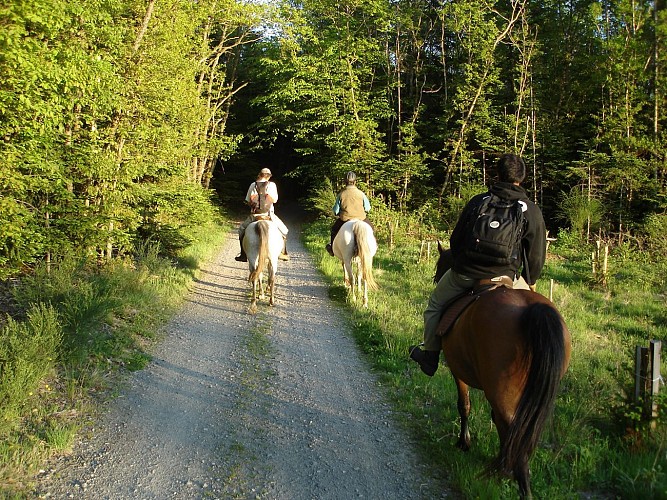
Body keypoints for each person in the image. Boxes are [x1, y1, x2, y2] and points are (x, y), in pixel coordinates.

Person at [409, 153, 547, 376]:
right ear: (522, 177)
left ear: (498, 174)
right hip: (504, 277)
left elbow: (456, 240)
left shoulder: (479, 201)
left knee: (435, 303)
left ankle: (430, 356)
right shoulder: (529, 209)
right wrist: (530, 281)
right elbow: (536, 253)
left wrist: (463, 263)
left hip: (465, 274)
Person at [235, 168, 290, 262]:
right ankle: (283, 253)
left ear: (259, 174)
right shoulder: (272, 185)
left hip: (255, 216)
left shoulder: (253, 184)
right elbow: (275, 200)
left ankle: (243, 255)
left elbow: (248, 200)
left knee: (241, 230)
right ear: (269, 176)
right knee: (284, 230)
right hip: (269, 215)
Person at [325, 171, 372, 256]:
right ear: (355, 182)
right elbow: (368, 208)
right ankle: (373, 246)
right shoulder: (361, 194)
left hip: (345, 219)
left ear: (345, 182)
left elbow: (335, 210)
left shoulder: (341, 194)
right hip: (361, 219)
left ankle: (332, 249)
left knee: (334, 230)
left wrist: (338, 212)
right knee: (371, 229)